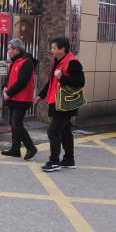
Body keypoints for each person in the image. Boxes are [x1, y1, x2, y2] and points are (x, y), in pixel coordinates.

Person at [35, 36, 85, 172]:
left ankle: (54, 161)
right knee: (65, 131)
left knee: (53, 131)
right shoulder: (57, 61)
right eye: (51, 48)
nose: (51, 50)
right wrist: (41, 95)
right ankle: (69, 160)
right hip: (57, 101)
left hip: (66, 103)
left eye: (54, 48)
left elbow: (80, 82)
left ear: (62, 49)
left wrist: (62, 77)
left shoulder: (73, 62)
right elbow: (52, 82)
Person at [1, 38, 38, 160]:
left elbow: (22, 82)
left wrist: (9, 93)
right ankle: (15, 149)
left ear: (16, 50)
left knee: (17, 123)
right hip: (13, 97)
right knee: (13, 123)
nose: (8, 51)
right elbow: (8, 78)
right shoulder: (14, 61)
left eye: (9, 49)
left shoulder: (27, 62)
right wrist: (5, 87)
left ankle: (31, 147)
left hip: (22, 99)